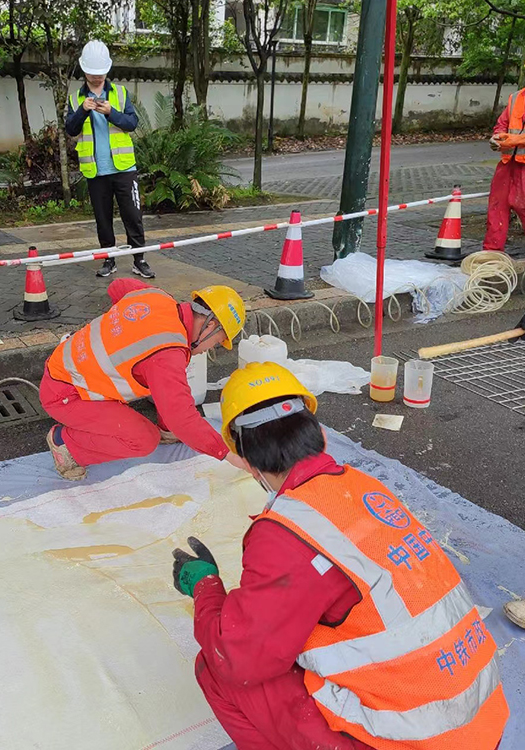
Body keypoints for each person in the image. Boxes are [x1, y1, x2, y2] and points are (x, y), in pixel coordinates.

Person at [171, 361, 509, 750]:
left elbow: (237, 657)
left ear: (247, 459)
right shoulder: (363, 487)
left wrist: (206, 588)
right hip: (480, 722)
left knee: (217, 668)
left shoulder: (287, 532)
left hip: (416, 739)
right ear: (319, 437)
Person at [40, 279, 247, 480]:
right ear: (210, 325)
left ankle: (165, 430)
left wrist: (120, 329)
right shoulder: (167, 354)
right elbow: (181, 417)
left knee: (170, 384)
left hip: (65, 367)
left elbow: (118, 286)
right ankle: (65, 443)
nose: (209, 350)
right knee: (143, 440)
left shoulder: (157, 297)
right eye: (218, 342)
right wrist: (227, 453)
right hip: (66, 394)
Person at [65, 40, 154, 280]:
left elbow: (132, 124)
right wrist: (83, 110)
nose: (96, 77)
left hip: (124, 168)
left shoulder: (120, 94)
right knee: (102, 219)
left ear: (107, 70)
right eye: (92, 73)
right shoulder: (75, 100)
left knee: (133, 216)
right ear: (84, 70)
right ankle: (108, 259)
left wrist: (111, 113)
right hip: (95, 171)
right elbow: (71, 129)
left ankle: (140, 259)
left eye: (100, 73)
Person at [484, 85, 525, 252]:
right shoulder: (516, 97)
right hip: (509, 164)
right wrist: (497, 137)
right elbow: (503, 123)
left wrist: (515, 140)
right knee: (497, 209)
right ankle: (491, 255)